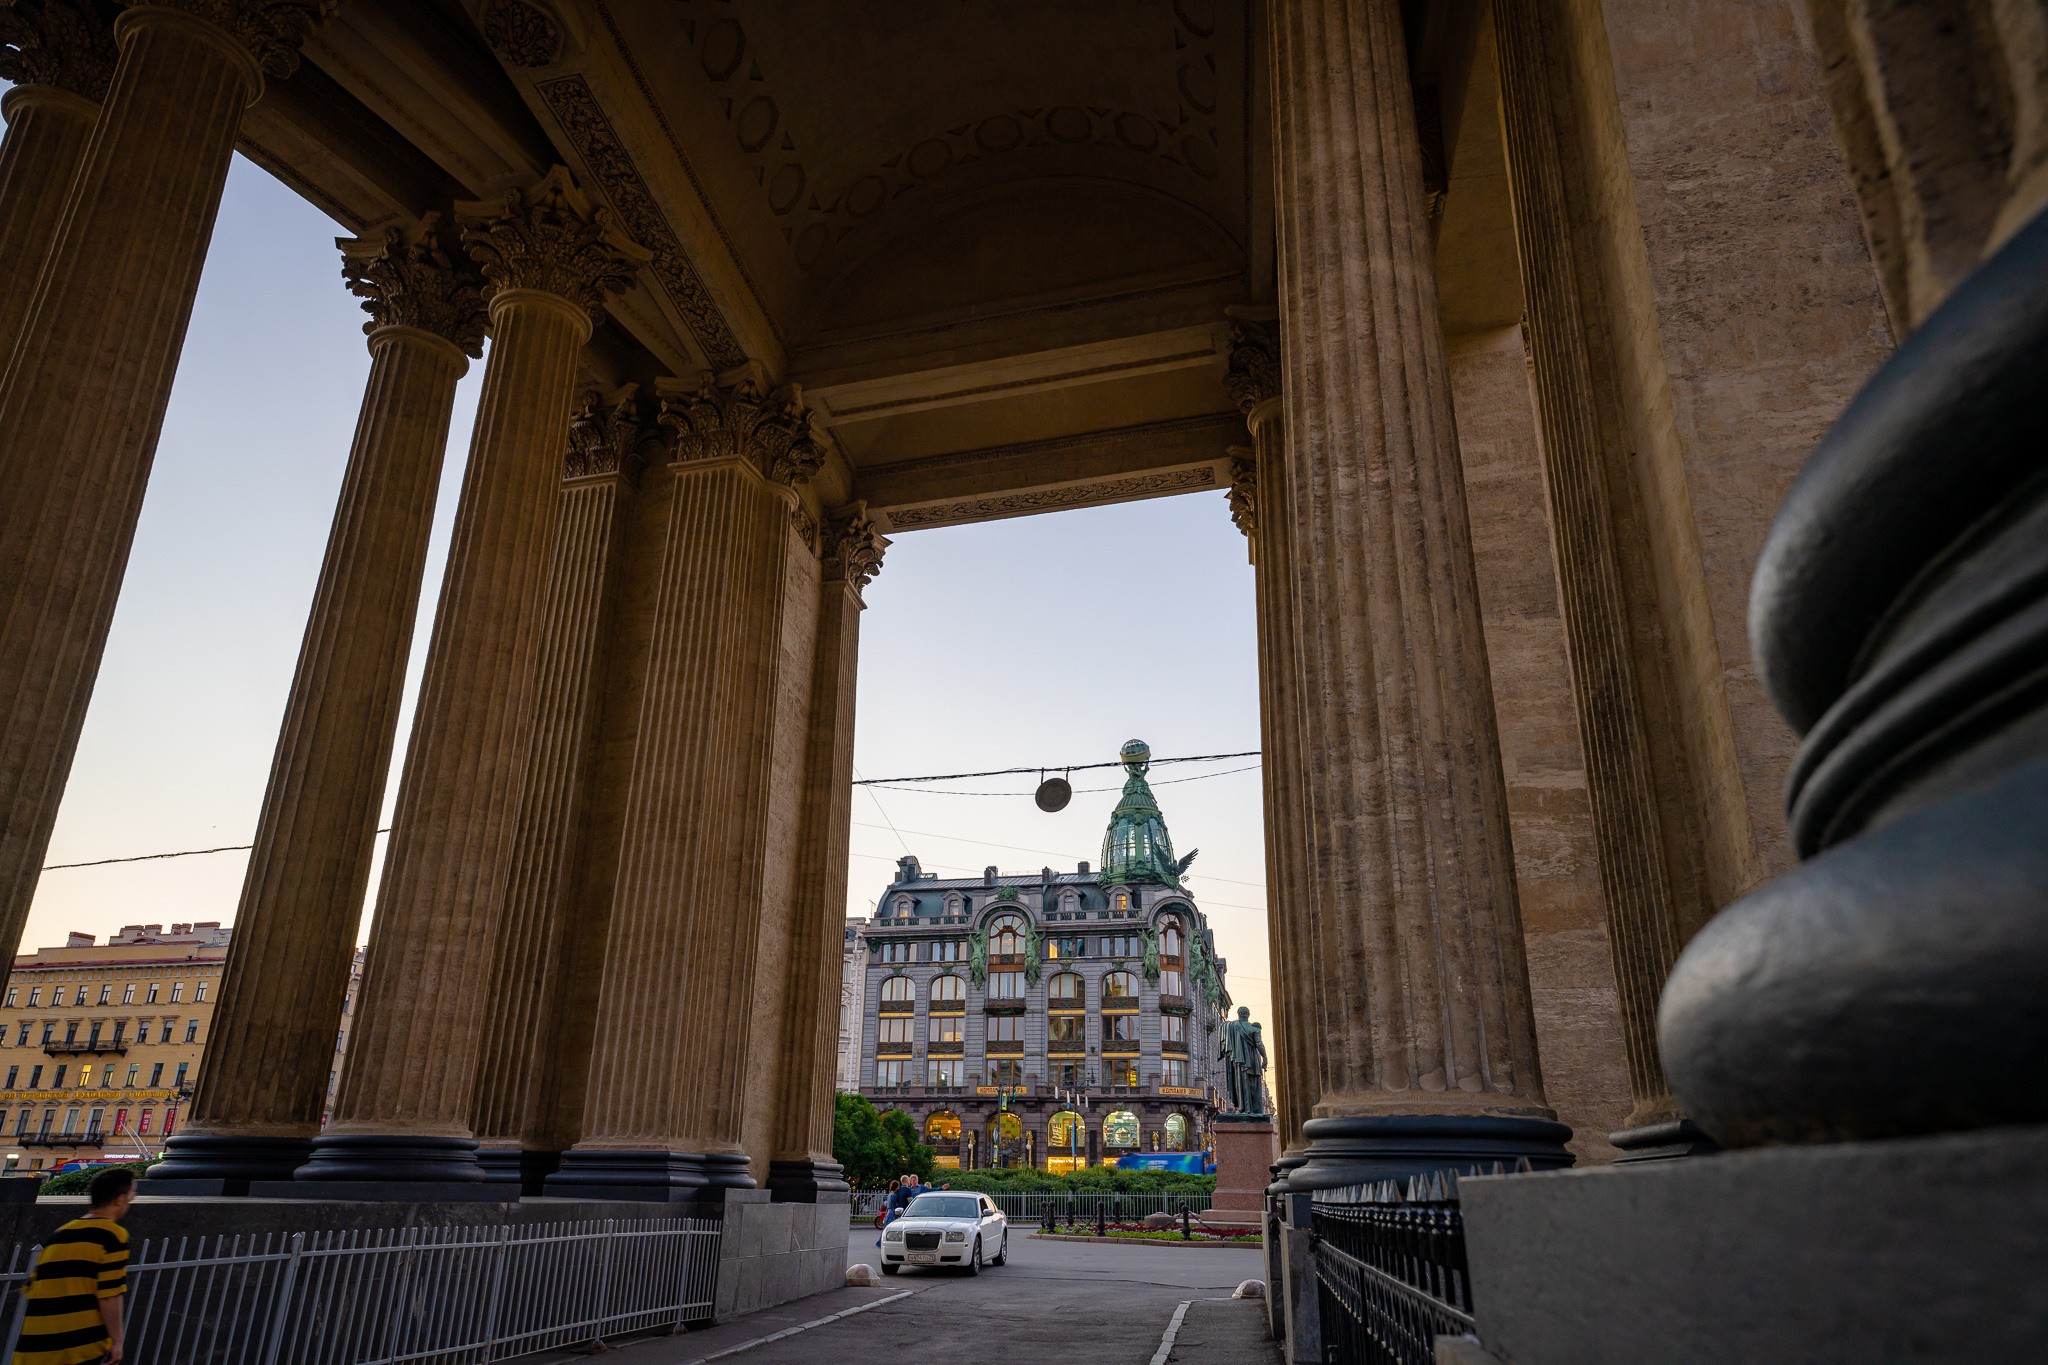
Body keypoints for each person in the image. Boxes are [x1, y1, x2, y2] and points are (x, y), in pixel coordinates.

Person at [14, 1165, 133, 1365]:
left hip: (32, 1349)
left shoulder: (60, 1233)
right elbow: (109, 1295)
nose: (130, 1200)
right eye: (131, 1194)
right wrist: (117, 1342)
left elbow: (32, 1291)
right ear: (120, 1199)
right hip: (77, 1349)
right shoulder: (112, 1235)